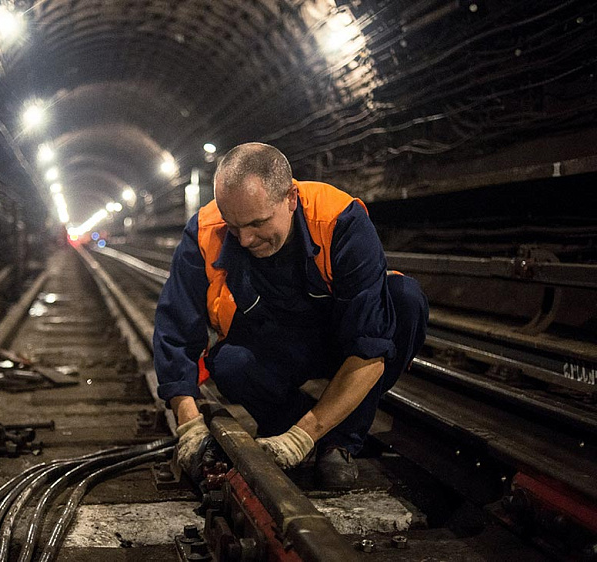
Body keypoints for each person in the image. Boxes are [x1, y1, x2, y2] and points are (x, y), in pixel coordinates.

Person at [153, 142, 428, 488]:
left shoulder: (339, 220)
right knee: (229, 362)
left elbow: (369, 343)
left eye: (257, 223)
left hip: (339, 342)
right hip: (274, 344)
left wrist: (304, 436)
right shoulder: (206, 230)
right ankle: (286, 424)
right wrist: (189, 421)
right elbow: (175, 327)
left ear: (290, 198)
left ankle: (339, 441)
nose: (246, 239)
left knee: (405, 299)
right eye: (234, 226)